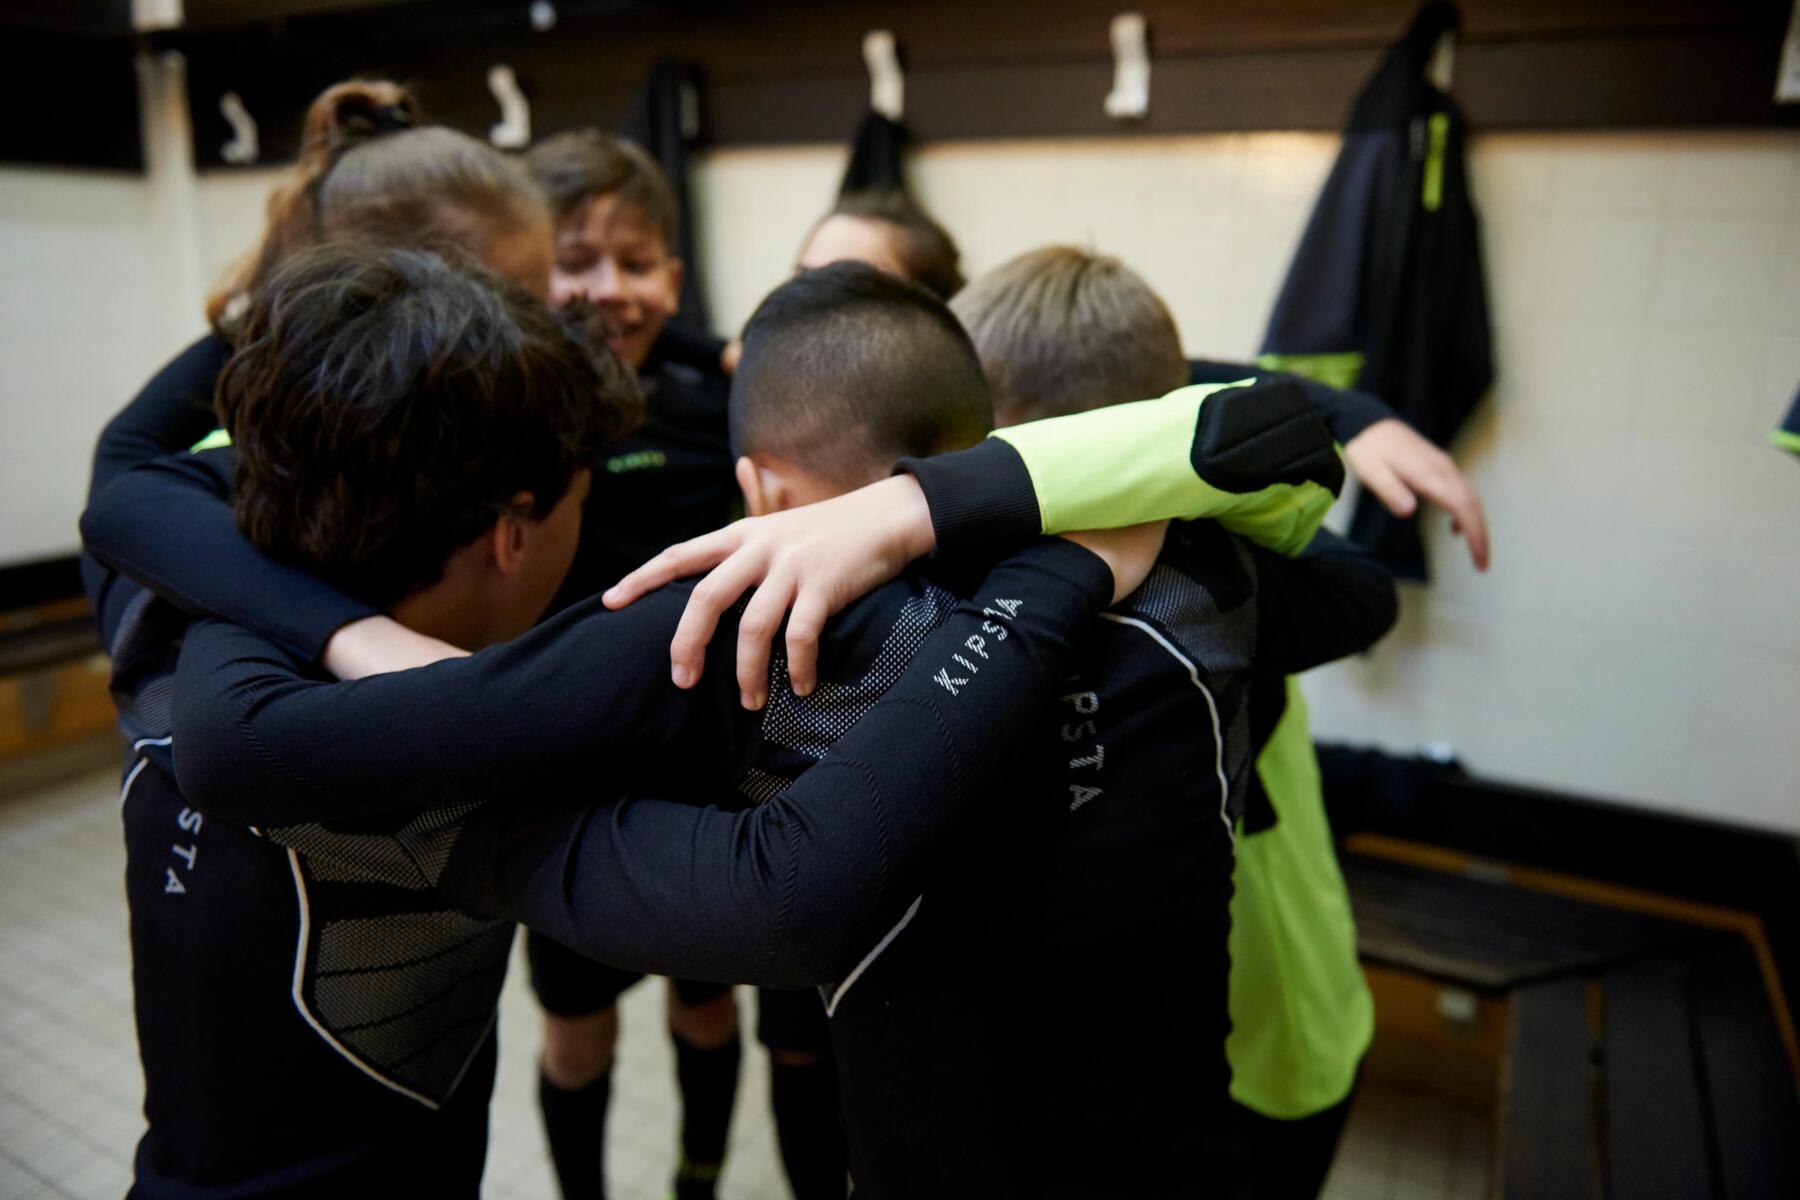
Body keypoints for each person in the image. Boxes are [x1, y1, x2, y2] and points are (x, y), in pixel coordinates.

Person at [76, 79, 589, 1200]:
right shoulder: (195, 539)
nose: (541, 332)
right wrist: (354, 635)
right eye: (524, 299)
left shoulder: (438, 496)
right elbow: (119, 487)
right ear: (406, 289)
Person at [955, 245, 1485, 1198]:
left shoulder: (1219, 573)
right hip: (1153, 1034)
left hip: (1273, 1032)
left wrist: (1336, 414)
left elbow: (1363, 591)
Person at [522, 128, 746, 1200]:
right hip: (565, 780)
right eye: (575, 260)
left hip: (706, 774)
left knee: (707, 1002)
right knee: (576, 1032)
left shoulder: (726, 402)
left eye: (635, 261)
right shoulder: (515, 409)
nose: (608, 289)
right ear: (528, 269)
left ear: (674, 273)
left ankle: (696, 1179)